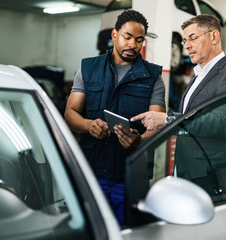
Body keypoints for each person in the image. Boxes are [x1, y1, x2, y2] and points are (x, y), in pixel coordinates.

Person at [64, 9, 165, 225]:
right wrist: (88, 125)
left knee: (131, 233)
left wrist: (139, 140)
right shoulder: (87, 68)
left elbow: (156, 124)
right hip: (91, 171)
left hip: (130, 176)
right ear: (115, 34)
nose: (133, 45)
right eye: (127, 37)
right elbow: (70, 113)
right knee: (93, 229)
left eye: (139, 40)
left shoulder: (154, 76)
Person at [131, 14, 226, 197]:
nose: (186, 45)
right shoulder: (198, 76)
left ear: (214, 37)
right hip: (188, 171)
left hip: (213, 175)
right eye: (185, 40)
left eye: (193, 38)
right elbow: (191, 119)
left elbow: (221, 123)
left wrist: (168, 119)